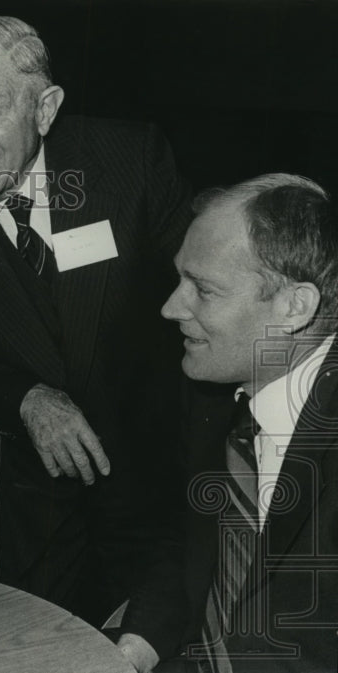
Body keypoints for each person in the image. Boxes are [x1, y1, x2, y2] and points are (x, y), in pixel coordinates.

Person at [0, 14, 193, 622]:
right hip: (29, 493)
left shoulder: (130, 159)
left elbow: (204, 290)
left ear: (45, 108)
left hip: (158, 472)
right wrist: (26, 398)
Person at [117, 174, 338, 673]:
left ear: (294, 308)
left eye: (204, 289)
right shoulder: (213, 388)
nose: (171, 307)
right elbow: (191, 543)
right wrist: (127, 655)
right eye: (180, 279)